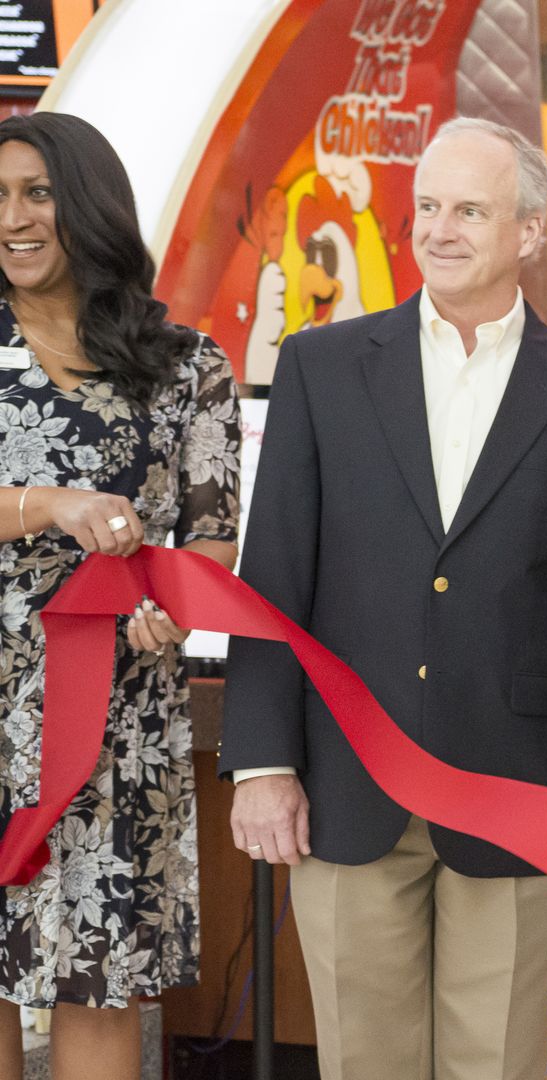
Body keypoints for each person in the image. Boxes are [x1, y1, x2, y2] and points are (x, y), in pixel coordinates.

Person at [220, 116, 547, 1080]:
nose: (440, 229)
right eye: (427, 208)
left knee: (495, 1066)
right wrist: (259, 762)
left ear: (528, 233)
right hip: (344, 786)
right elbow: (273, 577)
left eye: (469, 210)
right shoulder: (321, 368)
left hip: (518, 795)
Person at [0, 111, 242, 1080]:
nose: (12, 218)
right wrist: (45, 505)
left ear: (88, 204)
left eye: (35, 193)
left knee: (95, 984)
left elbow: (213, 542)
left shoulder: (188, 366)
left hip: (112, 726)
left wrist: (174, 607)